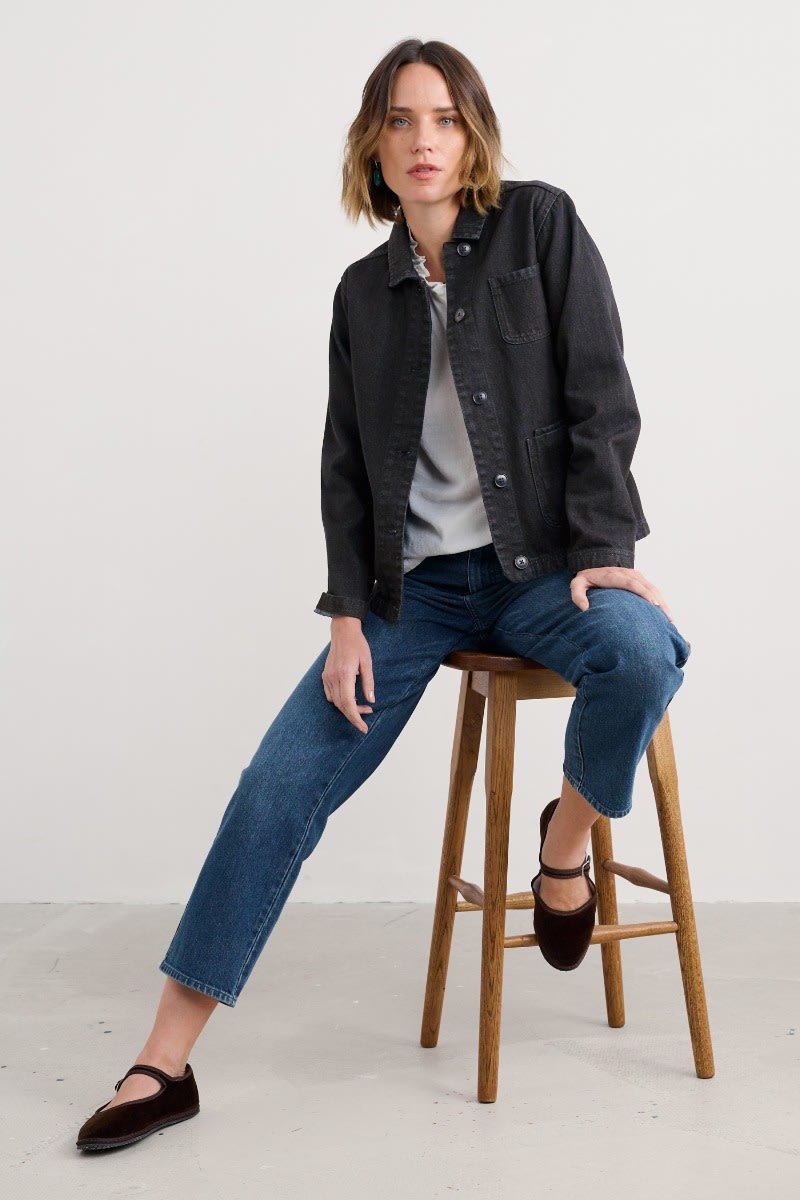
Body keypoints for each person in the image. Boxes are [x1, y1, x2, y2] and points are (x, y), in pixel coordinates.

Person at [75, 37, 692, 1151]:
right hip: (417, 595)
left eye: (444, 118)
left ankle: (561, 853)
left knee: (646, 651)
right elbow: (348, 471)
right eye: (401, 120)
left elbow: (601, 393)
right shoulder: (363, 294)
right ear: (373, 142)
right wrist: (349, 617)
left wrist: (604, 544)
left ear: (474, 133)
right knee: (278, 784)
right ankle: (162, 1062)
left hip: (546, 569)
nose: (423, 141)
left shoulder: (540, 226)